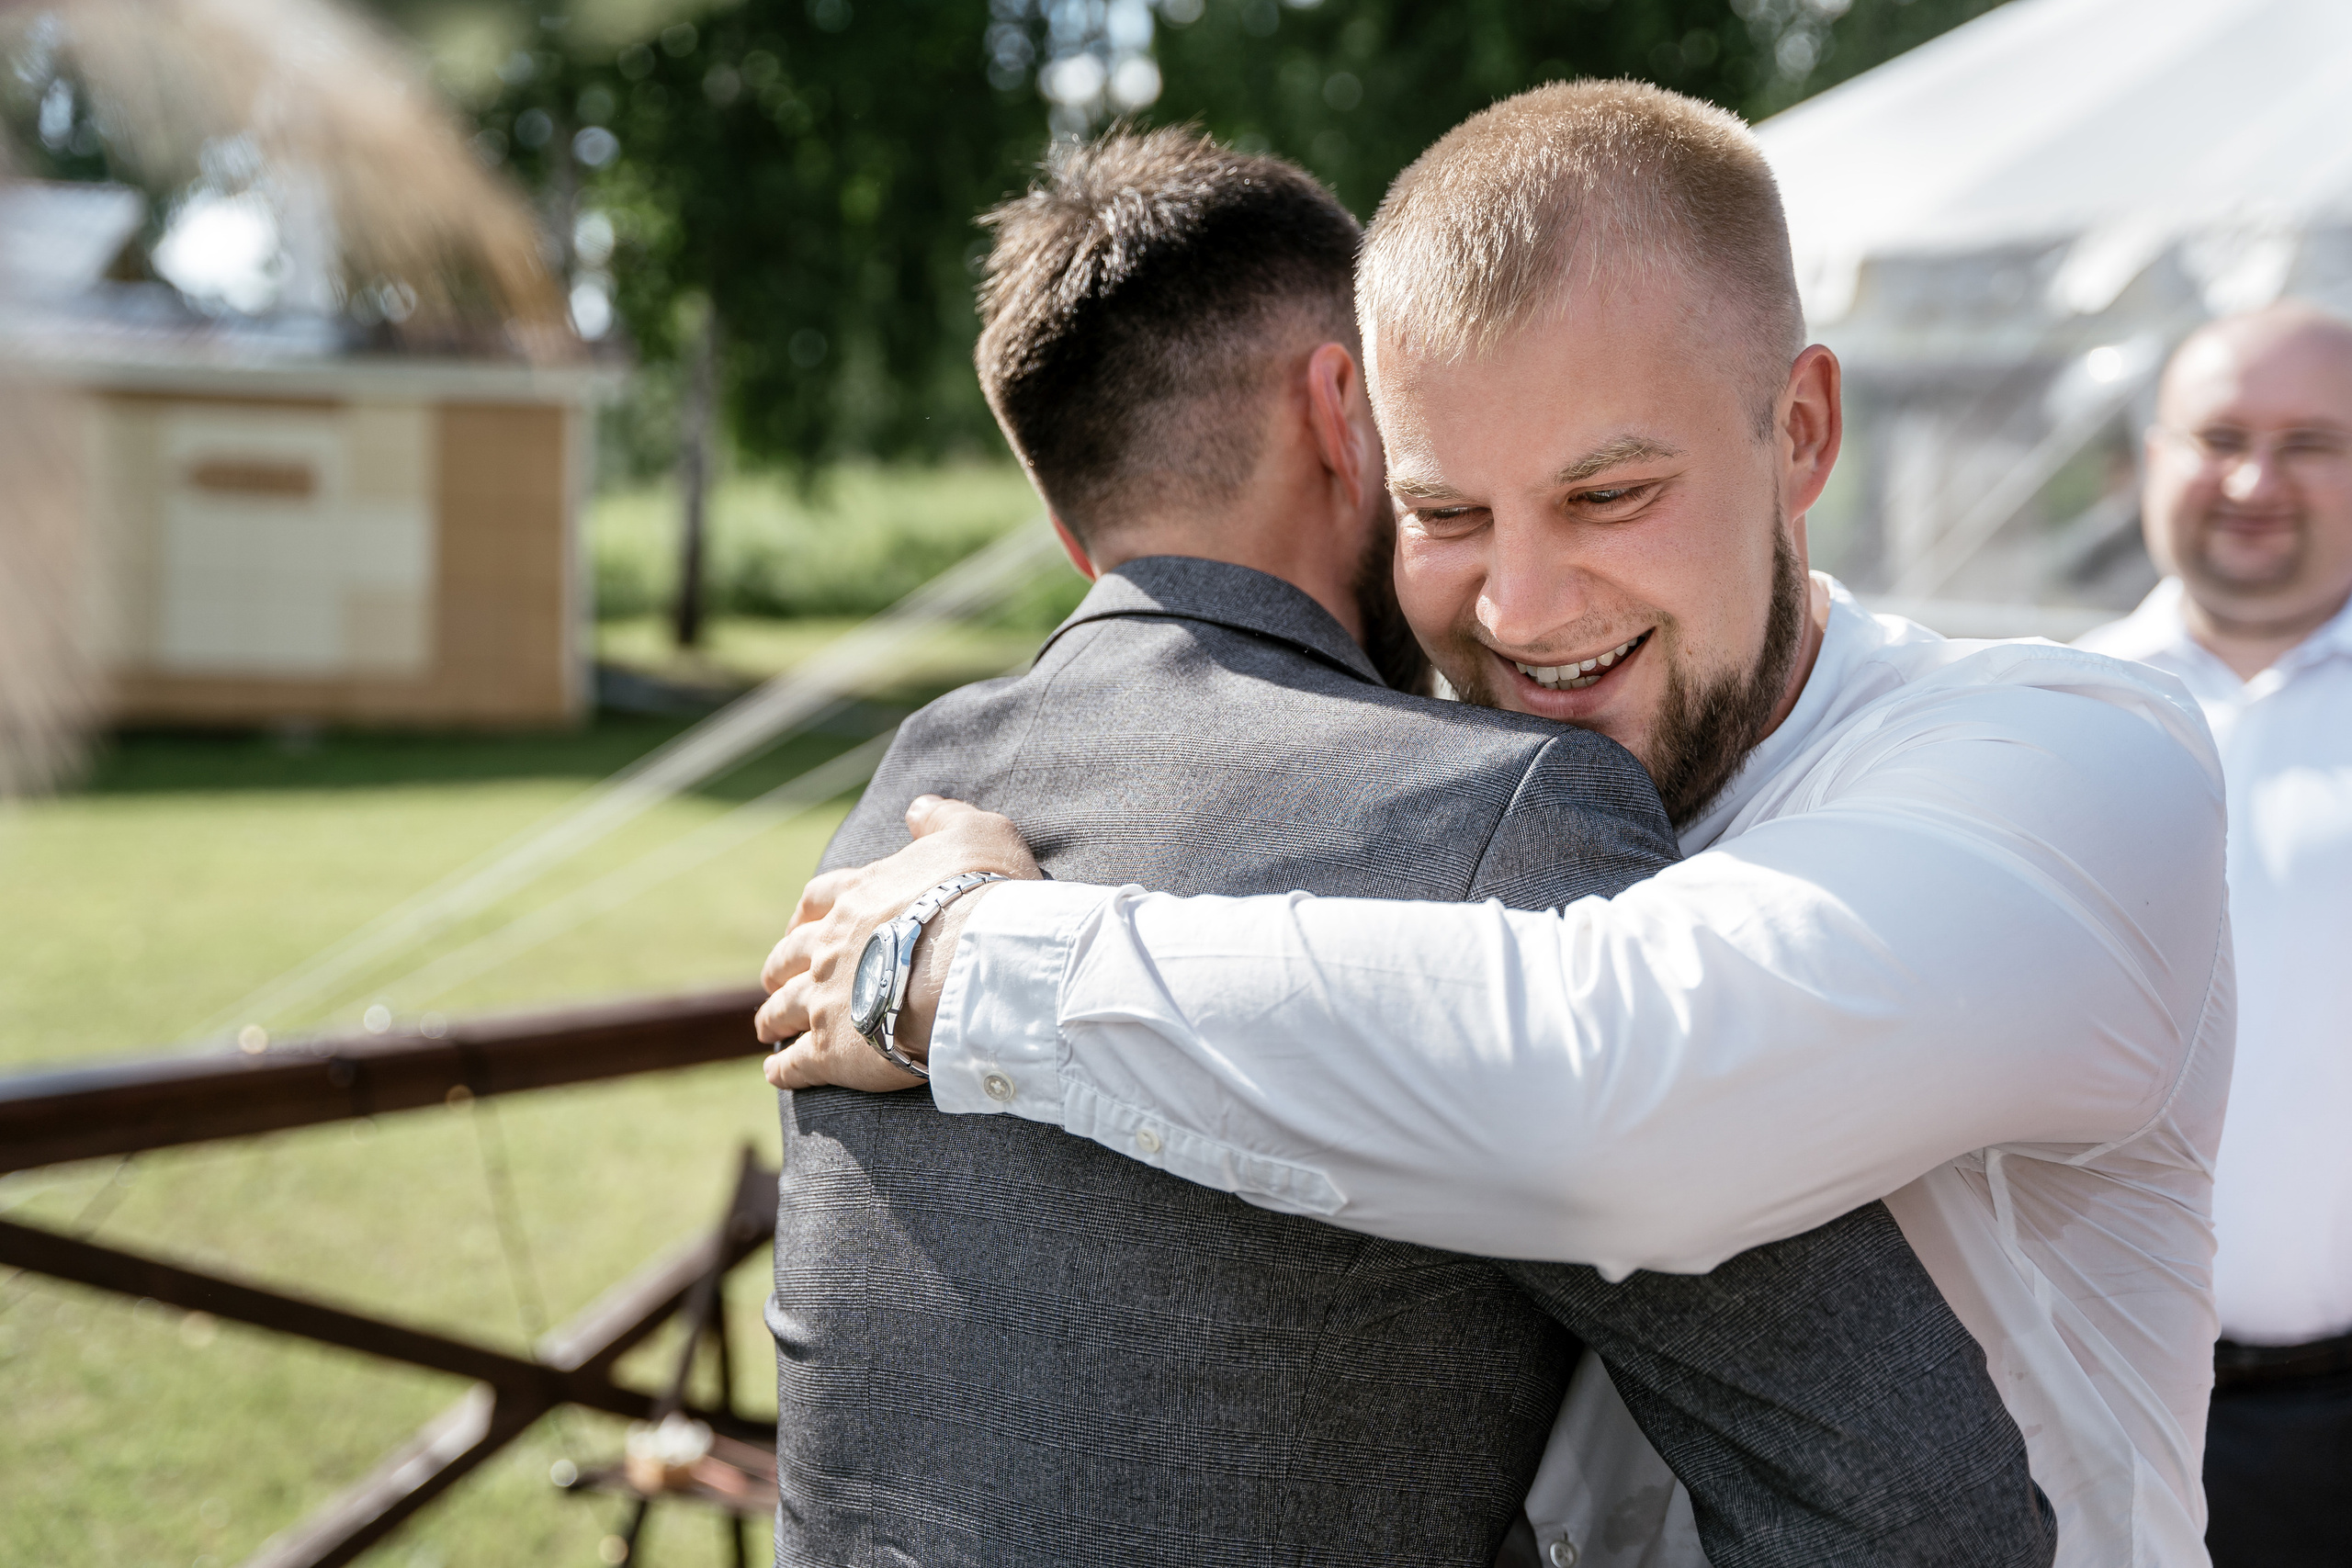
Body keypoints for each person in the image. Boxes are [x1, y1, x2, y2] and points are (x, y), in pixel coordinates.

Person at [759, 83, 2234, 1567]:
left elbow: (1628, 1100)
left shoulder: (2077, 762)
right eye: (1446, 515)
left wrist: (974, 967)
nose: (1520, 610)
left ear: (1798, 433)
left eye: (1609, 493)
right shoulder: (1446, 815)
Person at [2076, 301, 2352, 1567]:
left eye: (2310, 443)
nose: (2255, 480)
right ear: (2151, 460)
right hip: (2083, 1419)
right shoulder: (2042, 715)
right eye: (2221, 435)